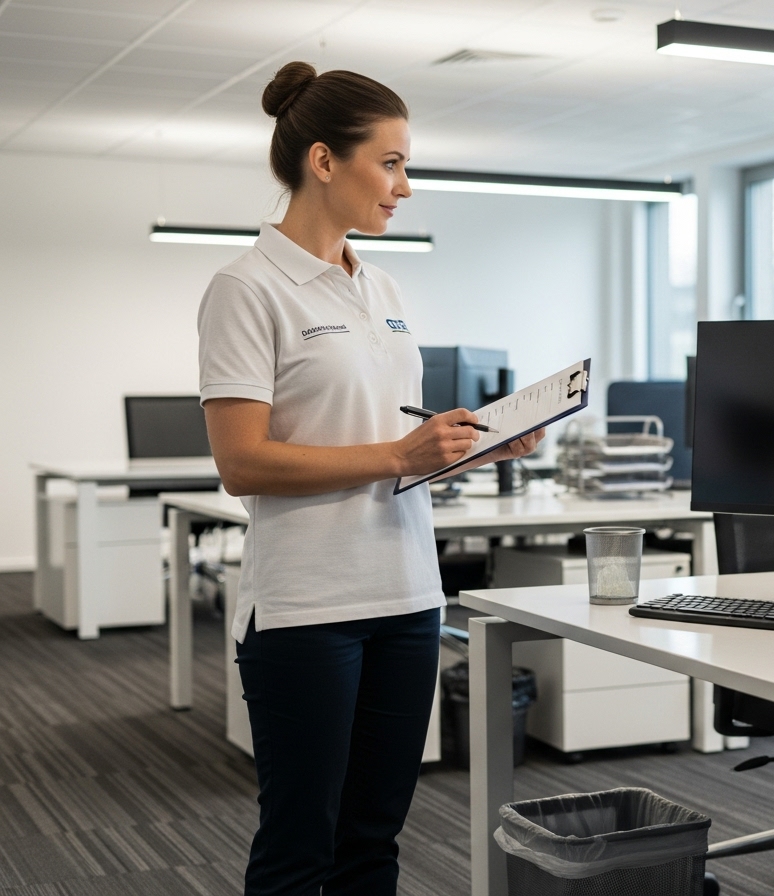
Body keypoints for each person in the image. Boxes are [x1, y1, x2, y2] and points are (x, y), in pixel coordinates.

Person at [197, 61, 544, 896]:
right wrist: (399, 456)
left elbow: (387, 432)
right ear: (324, 161)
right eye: (390, 163)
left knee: (375, 839)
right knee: (298, 846)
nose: (406, 186)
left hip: (408, 594)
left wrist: (471, 445)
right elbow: (242, 462)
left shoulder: (379, 284)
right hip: (309, 608)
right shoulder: (246, 290)